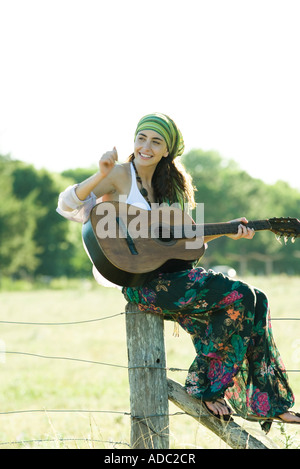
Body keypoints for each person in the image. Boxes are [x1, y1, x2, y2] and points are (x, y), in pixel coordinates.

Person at [57, 112, 300, 431]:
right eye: (141, 138)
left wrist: (228, 231)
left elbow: (184, 243)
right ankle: (206, 389)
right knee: (241, 296)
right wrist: (98, 174)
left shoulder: (176, 188)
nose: (146, 146)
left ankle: (268, 403)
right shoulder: (119, 174)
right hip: (140, 283)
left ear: (167, 149)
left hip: (173, 278)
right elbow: (67, 205)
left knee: (258, 298)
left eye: (155, 141)